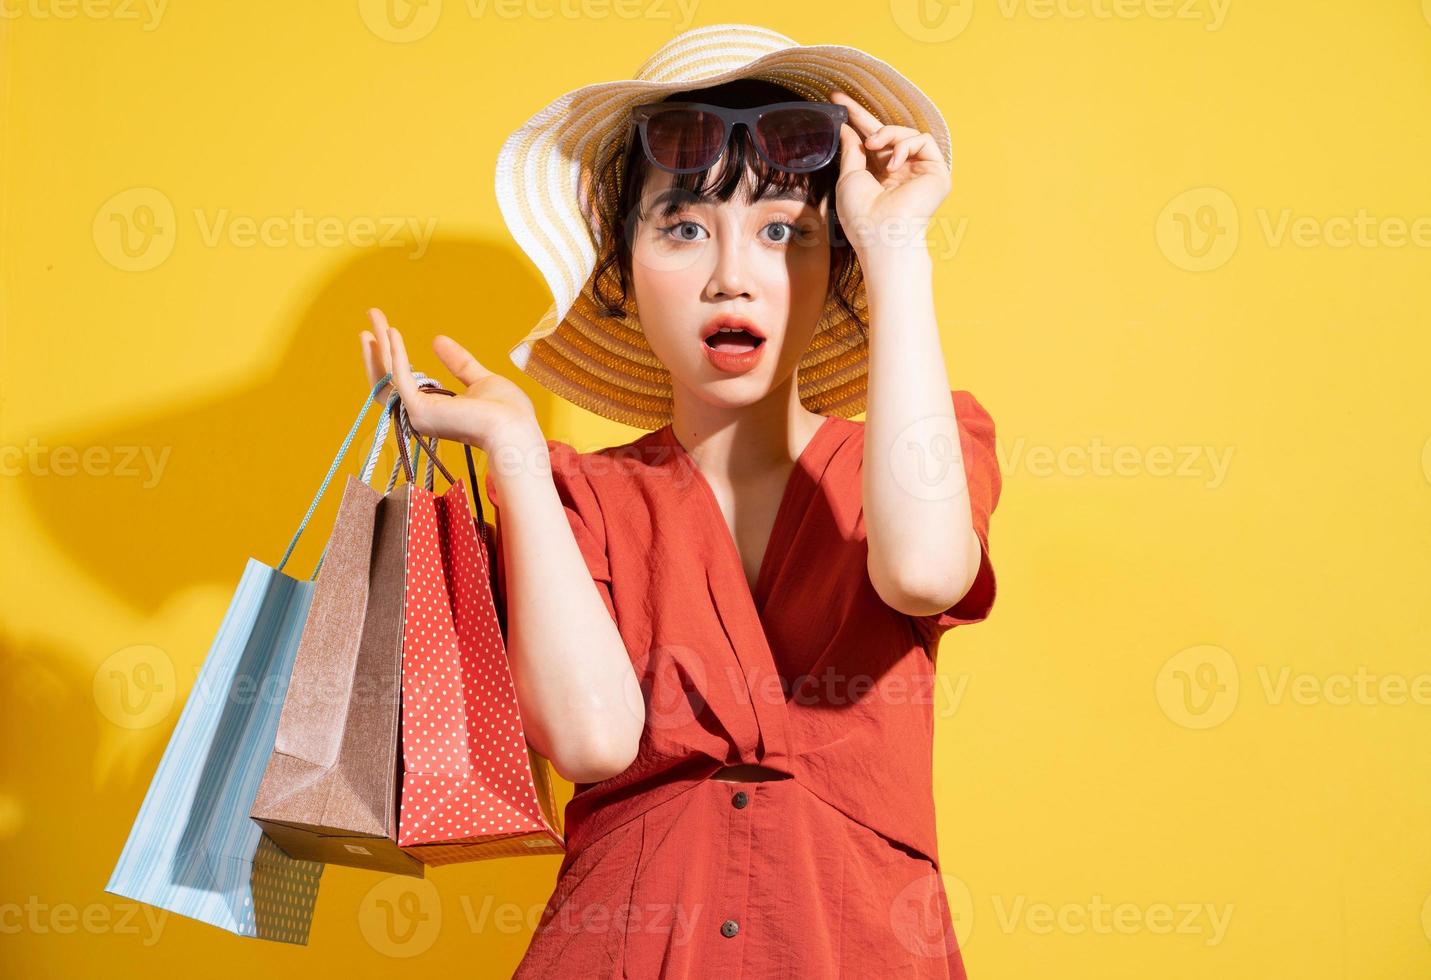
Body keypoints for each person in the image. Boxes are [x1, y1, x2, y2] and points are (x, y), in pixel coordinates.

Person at [360, 24, 1001, 979]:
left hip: (856, 945)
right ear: (619, 272)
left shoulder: (924, 454)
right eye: (684, 227)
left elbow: (919, 572)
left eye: (785, 230)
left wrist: (898, 245)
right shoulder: (580, 495)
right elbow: (590, 739)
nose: (731, 275)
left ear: (841, 268)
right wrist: (516, 456)